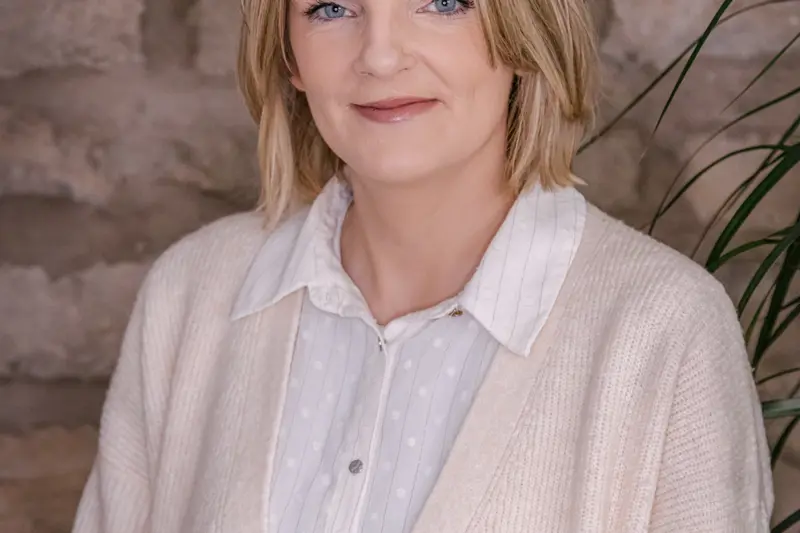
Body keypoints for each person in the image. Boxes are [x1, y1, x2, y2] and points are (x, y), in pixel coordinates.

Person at [72, 0, 774, 531]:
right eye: (330, 8)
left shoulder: (664, 329)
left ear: (524, 31)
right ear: (289, 55)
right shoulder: (191, 293)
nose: (380, 57)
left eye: (441, 2)